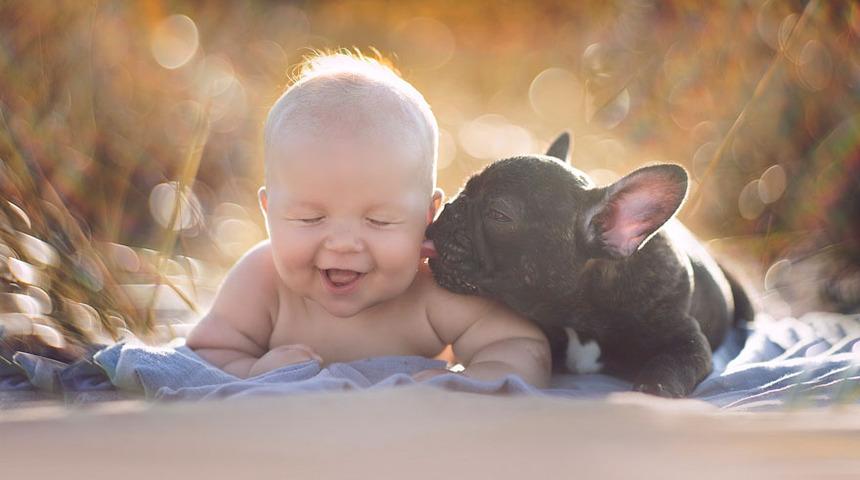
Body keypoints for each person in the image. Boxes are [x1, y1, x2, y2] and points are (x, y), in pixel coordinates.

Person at [186, 51, 550, 387]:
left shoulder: (431, 290)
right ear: (269, 212)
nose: (343, 242)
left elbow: (519, 344)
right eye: (311, 218)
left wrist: (474, 380)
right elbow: (205, 355)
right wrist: (251, 371)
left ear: (428, 216)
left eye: (379, 221)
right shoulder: (261, 282)